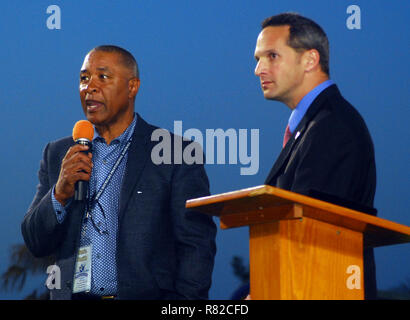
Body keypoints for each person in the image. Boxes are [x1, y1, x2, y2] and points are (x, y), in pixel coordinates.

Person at [21, 45, 217, 300]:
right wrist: (60, 194)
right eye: (84, 78)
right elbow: (35, 242)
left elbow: (197, 246)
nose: (89, 87)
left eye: (103, 77)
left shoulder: (174, 153)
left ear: (132, 87)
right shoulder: (58, 153)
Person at [253, 13, 377, 299]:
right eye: (258, 59)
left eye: (272, 56)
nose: (259, 69)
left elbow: (313, 233)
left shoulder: (333, 126)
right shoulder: (316, 124)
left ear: (310, 60)